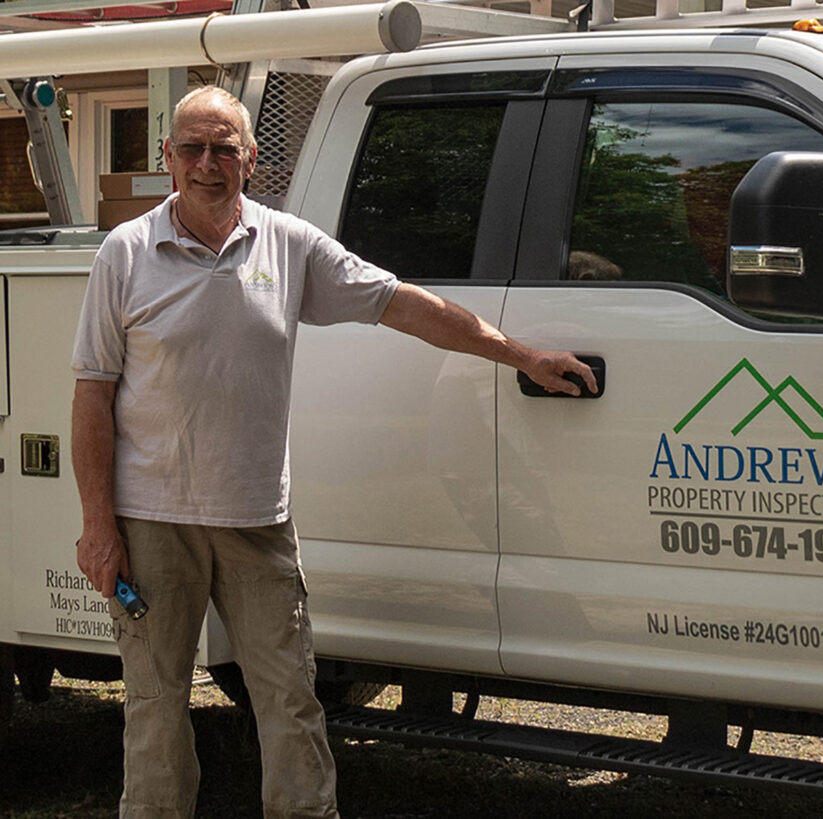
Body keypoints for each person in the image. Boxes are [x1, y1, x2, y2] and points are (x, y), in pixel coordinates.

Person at [70, 85, 596, 819]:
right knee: (156, 710)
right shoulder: (125, 253)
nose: (208, 162)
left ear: (251, 159)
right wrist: (98, 525)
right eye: (192, 146)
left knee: (290, 703)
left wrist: (520, 354)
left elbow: (403, 303)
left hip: (257, 522)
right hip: (152, 521)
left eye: (225, 147)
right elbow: (92, 394)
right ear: (168, 159)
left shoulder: (288, 245)